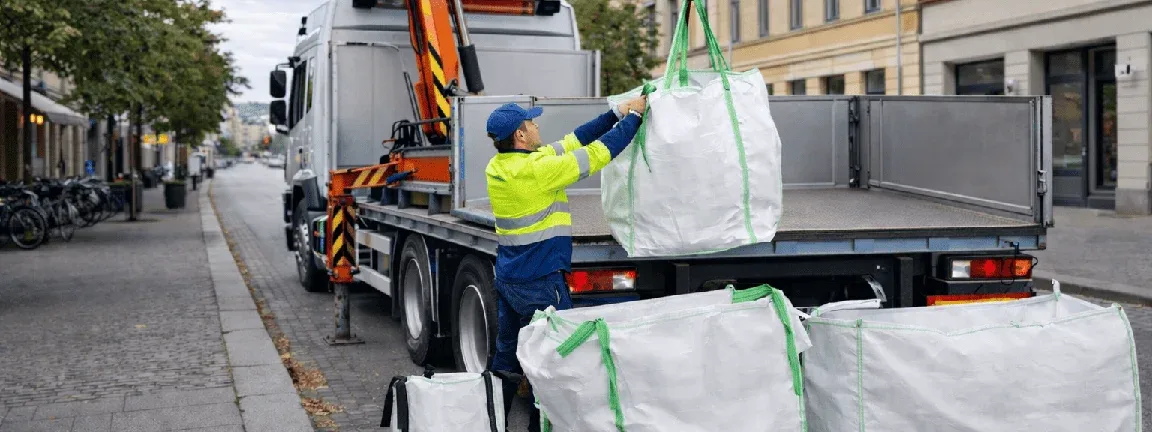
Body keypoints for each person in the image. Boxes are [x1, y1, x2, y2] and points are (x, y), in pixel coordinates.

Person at [484, 95, 647, 431]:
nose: (537, 124)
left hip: (509, 279)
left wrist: (617, 112)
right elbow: (599, 153)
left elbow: (576, 139)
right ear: (521, 136)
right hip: (541, 283)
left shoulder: (501, 166)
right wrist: (635, 120)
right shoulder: (538, 170)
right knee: (554, 363)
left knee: (506, 358)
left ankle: (489, 422)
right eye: (531, 122)